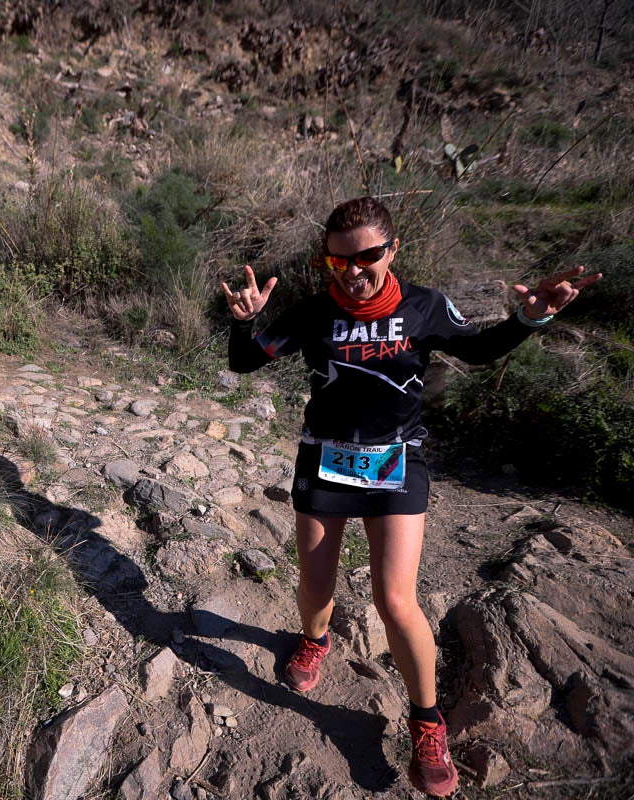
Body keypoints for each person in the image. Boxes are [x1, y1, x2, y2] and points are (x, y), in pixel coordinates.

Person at [223, 196, 600, 797]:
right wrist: (244, 322)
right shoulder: (313, 312)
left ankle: (427, 722)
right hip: (325, 461)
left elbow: (475, 348)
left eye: (367, 255)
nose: (353, 269)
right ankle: (315, 640)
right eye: (338, 259)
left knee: (395, 599)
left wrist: (528, 321)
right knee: (316, 585)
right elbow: (247, 362)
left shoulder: (423, 305)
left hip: (398, 463)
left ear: (392, 249)